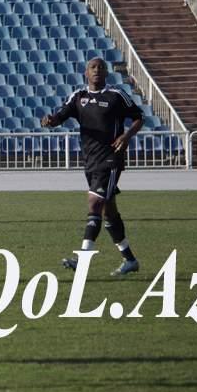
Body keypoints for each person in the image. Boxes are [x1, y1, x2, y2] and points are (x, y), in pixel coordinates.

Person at [40, 57, 144, 276]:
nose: (97, 70)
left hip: (111, 158)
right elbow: (60, 117)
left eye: (101, 67)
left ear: (107, 73)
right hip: (90, 161)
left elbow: (138, 117)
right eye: (93, 67)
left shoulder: (116, 95)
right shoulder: (79, 97)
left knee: (94, 203)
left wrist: (126, 136)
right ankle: (130, 260)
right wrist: (49, 121)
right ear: (86, 73)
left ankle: (82, 259)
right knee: (109, 212)